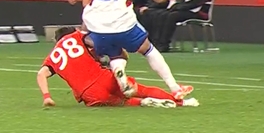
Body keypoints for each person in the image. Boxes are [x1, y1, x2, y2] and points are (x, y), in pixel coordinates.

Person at [35, 26, 198, 108]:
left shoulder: (54, 56)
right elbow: (97, 44)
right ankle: (182, 103)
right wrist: (116, 54)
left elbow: (41, 74)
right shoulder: (77, 36)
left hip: (89, 93)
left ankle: (144, 102)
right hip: (104, 77)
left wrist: (47, 97)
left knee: (122, 103)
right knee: (142, 89)